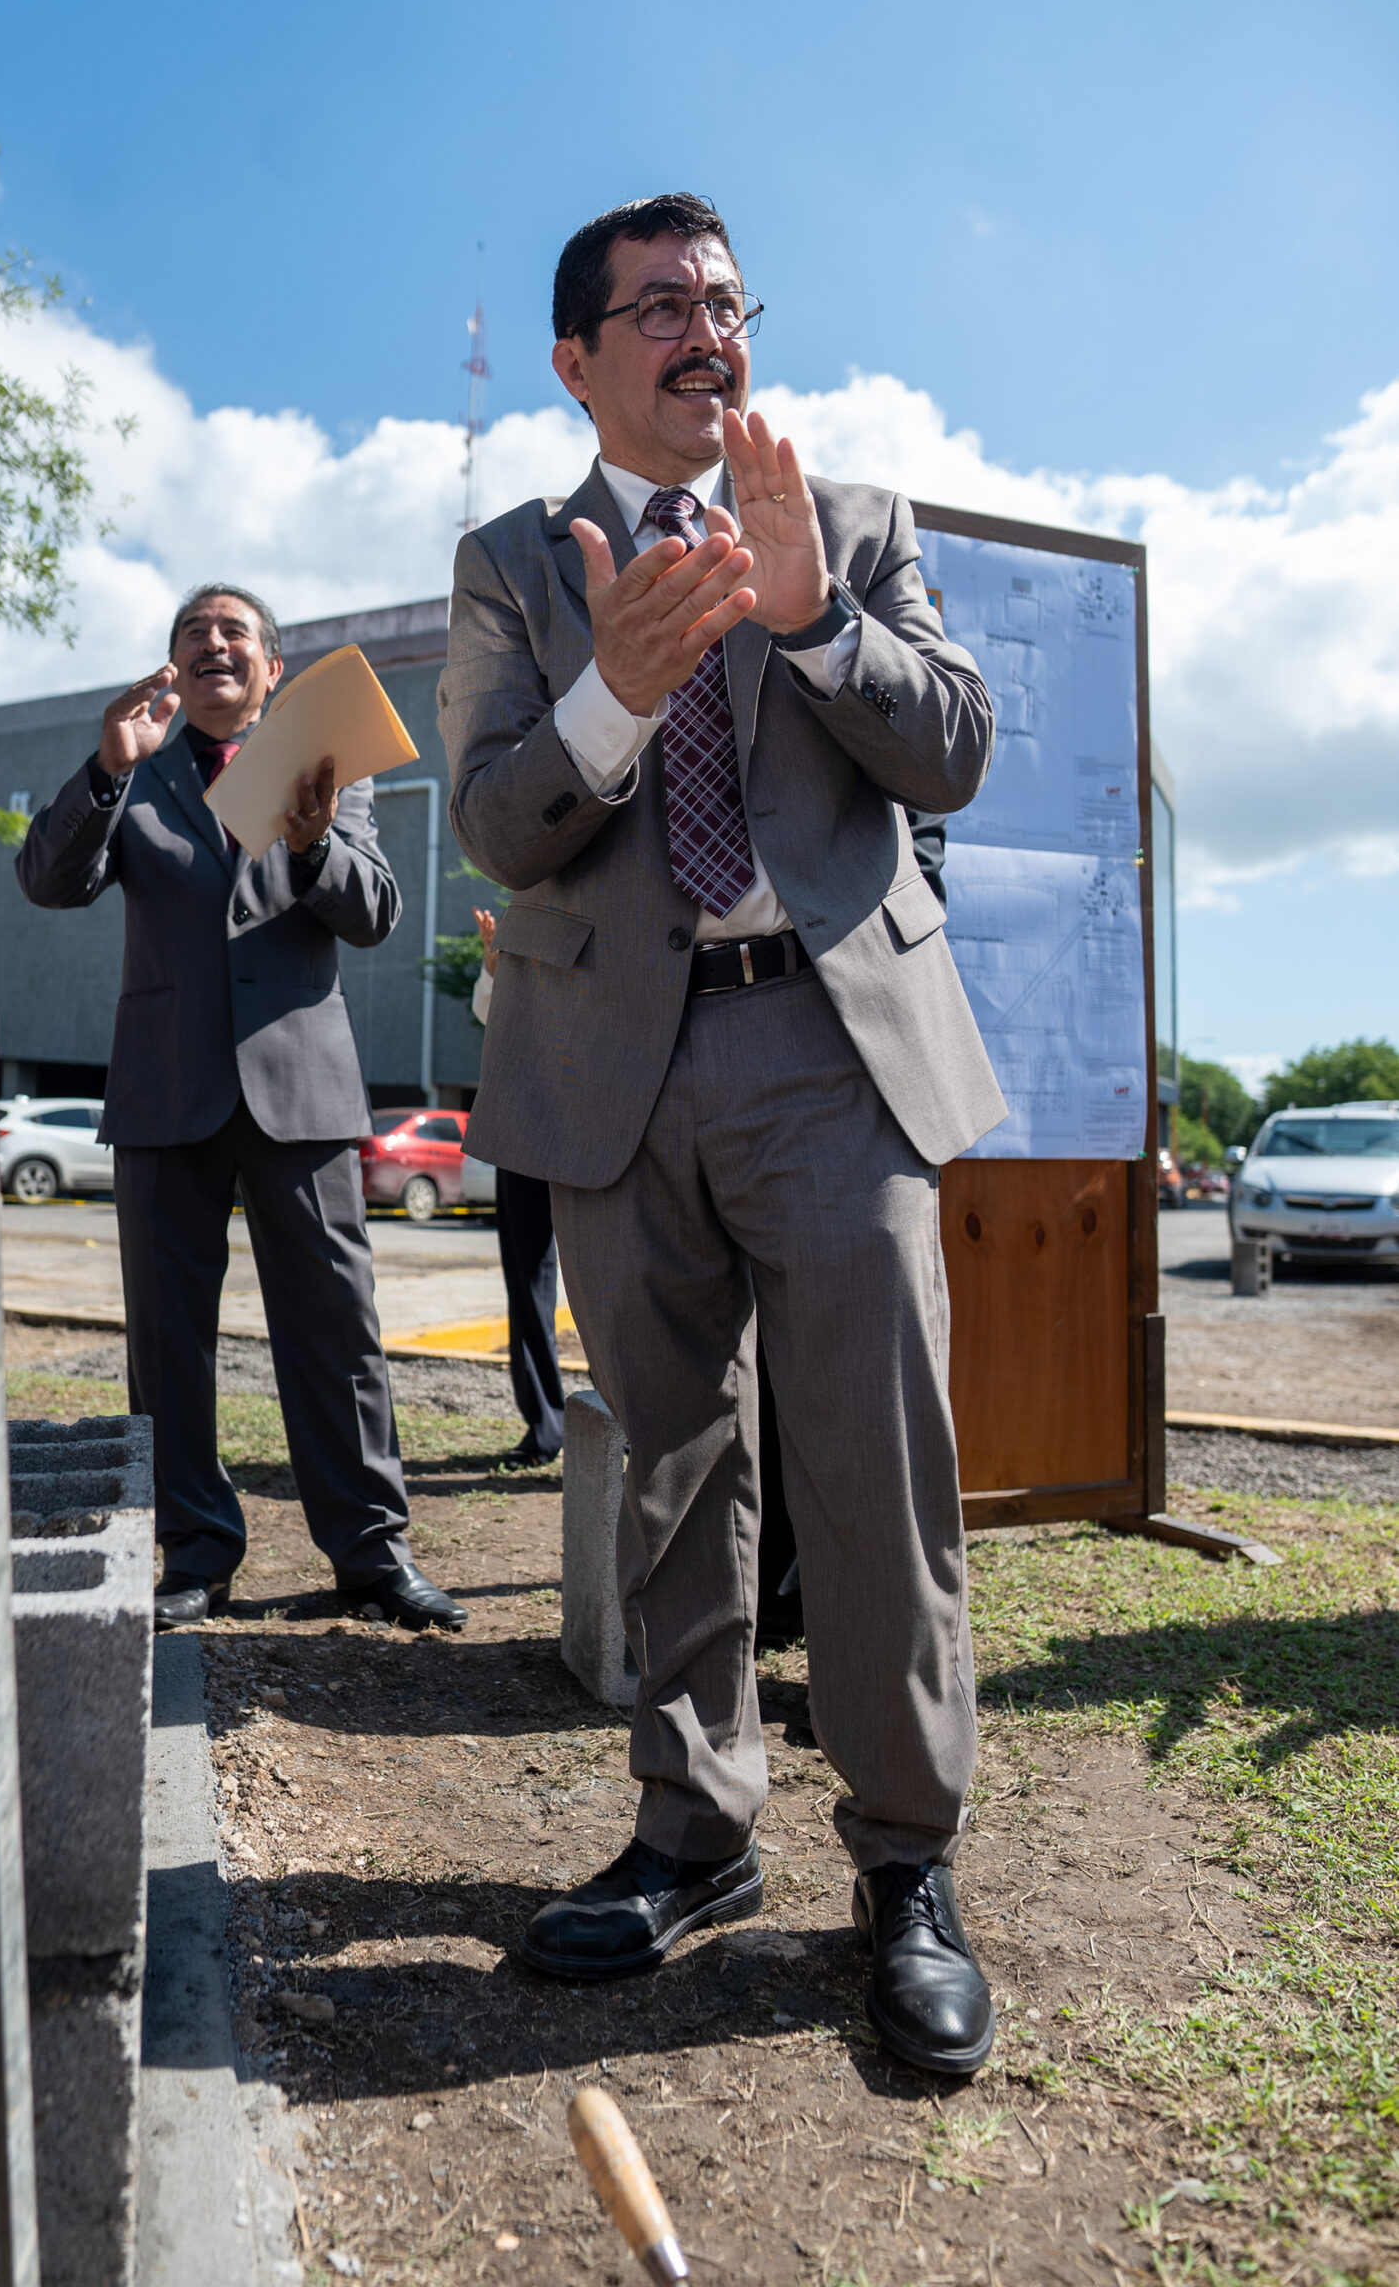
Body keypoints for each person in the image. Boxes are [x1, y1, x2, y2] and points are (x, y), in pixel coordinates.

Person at [437, 192, 1008, 2076]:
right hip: (618, 1070)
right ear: (576, 356)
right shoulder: (510, 562)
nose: (704, 331)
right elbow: (499, 825)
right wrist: (622, 681)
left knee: (872, 1469)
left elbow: (953, 748)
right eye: (658, 306)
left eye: (724, 300)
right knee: (672, 1469)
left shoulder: (847, 523)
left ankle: (905, 1867)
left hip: (830, 1057)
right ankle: (694, 1834)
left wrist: (812, 618)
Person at [17, 585, 466, 1636]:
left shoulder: (323, 766)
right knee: (168, 1340)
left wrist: (312, 846)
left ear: (270, 668)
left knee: (336, 1333)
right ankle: (196, 1549)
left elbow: (376, 910)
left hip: (299, 1092)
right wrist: (107, 768)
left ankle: (371, 1553)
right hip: (166, 1093)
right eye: (192, 634)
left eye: (234, 634)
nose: (213, 645)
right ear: (171, 670)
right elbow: (46, 878)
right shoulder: (135, 774)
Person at [470, 907, 565, 1468]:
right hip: (523, 1125)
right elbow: (488, 1012)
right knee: (527, 1283)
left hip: (600, 1125)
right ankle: (545, 1426)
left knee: (616, 1284)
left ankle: (628, 1422)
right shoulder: (522, 923)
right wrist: (492, 959)